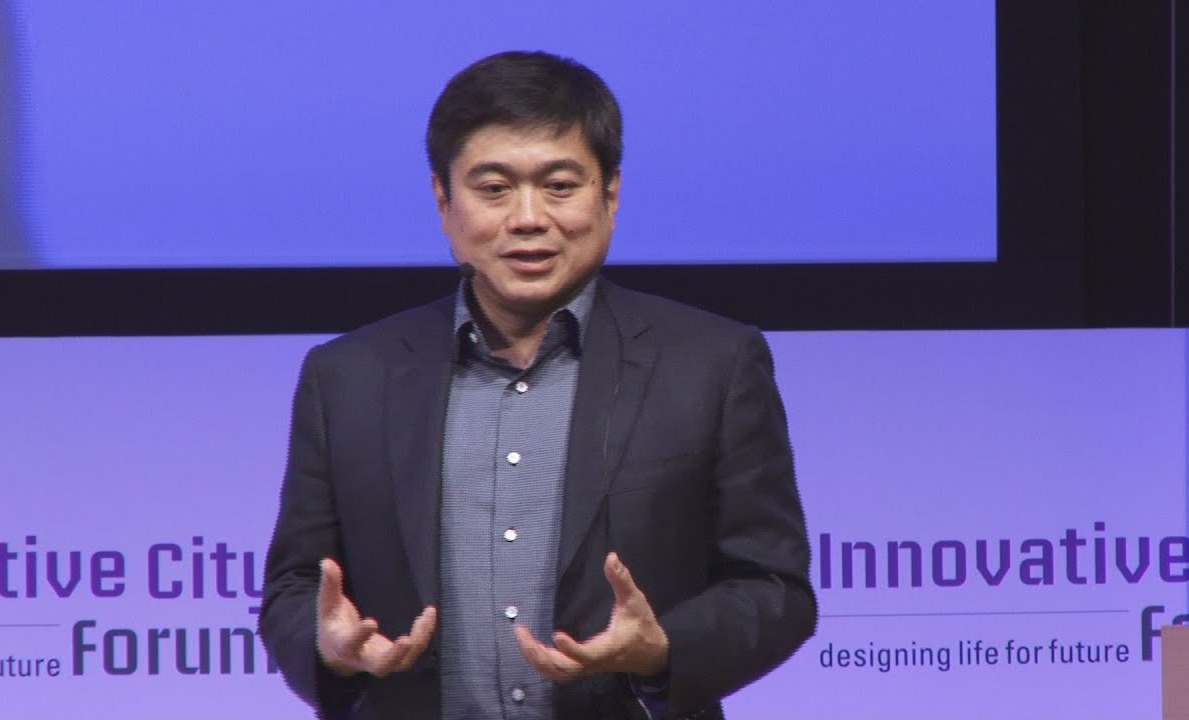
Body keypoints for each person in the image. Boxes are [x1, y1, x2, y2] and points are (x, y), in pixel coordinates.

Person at [260, 50, 816, 720]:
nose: (527, 218)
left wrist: (665, 648)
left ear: (610, 195)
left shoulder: (713, 363)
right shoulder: (347, 375)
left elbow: (774, 586)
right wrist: (327, 648)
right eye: (494, 189)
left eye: (559, 186)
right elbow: (294, 587)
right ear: (443, 201)